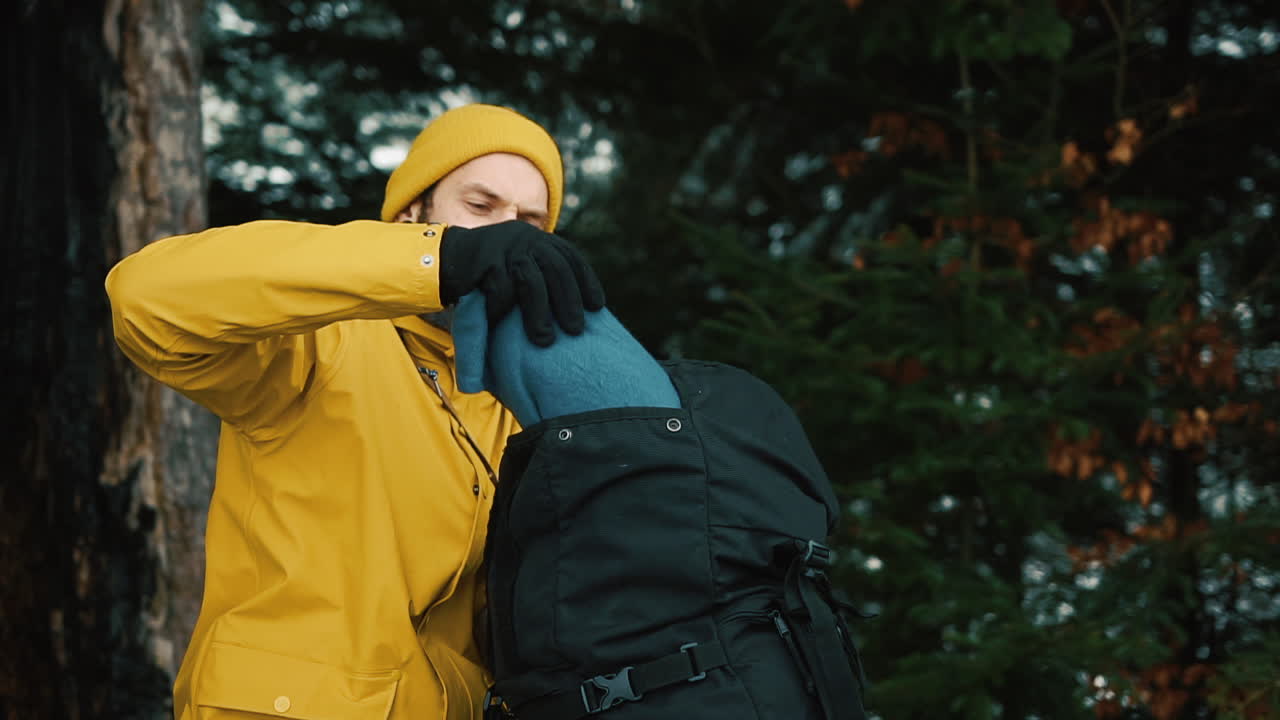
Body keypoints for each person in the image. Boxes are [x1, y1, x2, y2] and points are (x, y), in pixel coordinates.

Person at [106, 103, 604, 720]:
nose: (510, 235)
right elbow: (145, 299)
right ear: (412, 215)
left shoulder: (517, 398)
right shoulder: (315, 339)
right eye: (481, 208)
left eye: (531, 221)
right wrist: (439, 261)